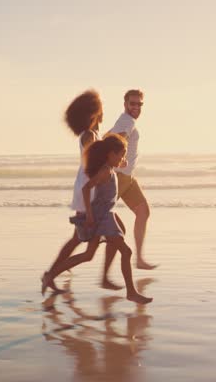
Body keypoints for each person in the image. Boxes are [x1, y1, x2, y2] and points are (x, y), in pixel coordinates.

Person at [42, 134, 152, 304]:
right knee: (126, 251)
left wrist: (120, 162)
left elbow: (108, 171)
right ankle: (131, 292)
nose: (123, 158)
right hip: (102, 217)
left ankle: (50, 276)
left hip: (104, 215)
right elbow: (86, 189)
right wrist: (90, 215)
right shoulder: (105, 171)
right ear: (110, 154)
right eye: (121, 155)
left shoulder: (108, 167)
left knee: (88, 255)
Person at [42, 90, 122, 294]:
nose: (103, 112)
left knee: (80, 240)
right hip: (90, 193)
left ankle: (53, 274)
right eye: (100, 108)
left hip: (92, 192)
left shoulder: (93, 134)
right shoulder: (88, 135)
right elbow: (96, 159)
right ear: (93, 112)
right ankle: (51, 275)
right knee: (82, 241)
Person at [108, 89, 157, 269]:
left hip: (128, 178)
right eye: (132, 103)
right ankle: (70, 259)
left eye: (139, 104)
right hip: (119, 177)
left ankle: (140, 259)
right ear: (125, 104)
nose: (136, 107)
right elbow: (118, 139)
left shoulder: (126, 121)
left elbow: (109, 137)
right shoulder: (126, 121)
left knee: (143, 211)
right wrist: (117, 160)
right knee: (98, 221)